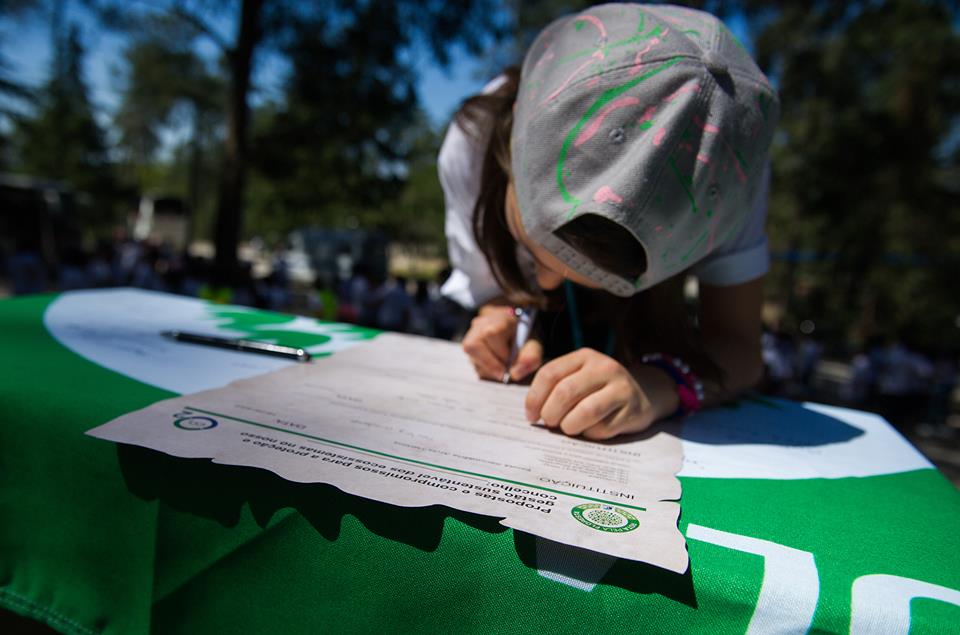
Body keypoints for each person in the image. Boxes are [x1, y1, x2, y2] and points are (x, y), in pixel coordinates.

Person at [439, 4, 779, 440]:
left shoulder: (728, 175)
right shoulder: (474, 139)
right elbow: (495, 293)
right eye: (533, 243)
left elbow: (740, 347)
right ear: (515, 130)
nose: (545, 284)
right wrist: (502, 314)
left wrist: (660, 385)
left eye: (595, 276)